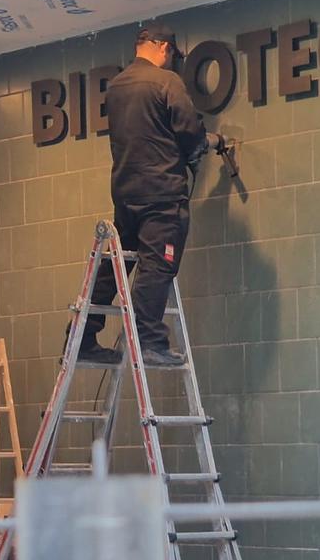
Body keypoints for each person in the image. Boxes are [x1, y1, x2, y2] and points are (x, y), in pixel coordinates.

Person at [75, 22, 221, 367]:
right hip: (161, 195)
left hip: (126, 194)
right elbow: (189, 130)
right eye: (171, 55)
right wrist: (205, 144)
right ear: (164, 47)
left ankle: (82, 338)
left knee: (116, 267)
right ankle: (150, 342)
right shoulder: (166, 81)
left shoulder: (116, 87)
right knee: (157, 265)